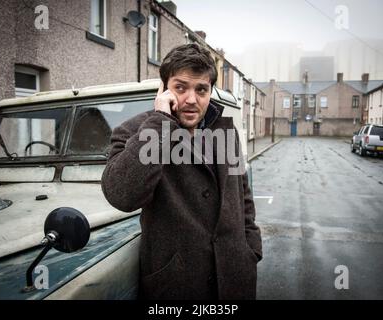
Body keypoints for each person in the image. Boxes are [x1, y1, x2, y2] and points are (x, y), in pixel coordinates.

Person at [101, 43, 262, 300]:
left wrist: (251, 247)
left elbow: (243, 194)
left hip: (236, 277)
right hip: (177, 287)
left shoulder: (226, 131)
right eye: (180, 87)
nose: (191, 99)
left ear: (210, 91)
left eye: (201, 89)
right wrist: (161, 121)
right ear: (163, 89)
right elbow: (122, 195)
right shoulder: (136, 131)